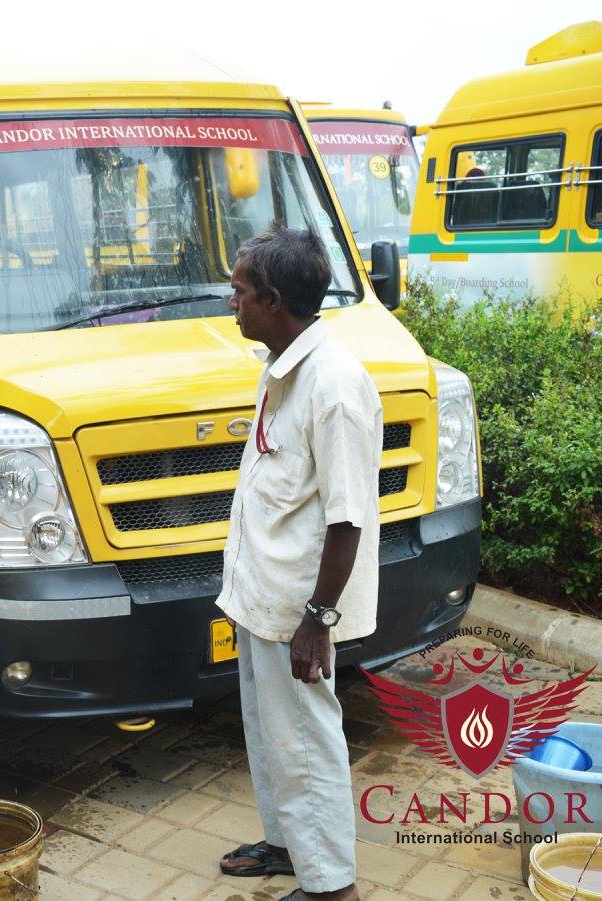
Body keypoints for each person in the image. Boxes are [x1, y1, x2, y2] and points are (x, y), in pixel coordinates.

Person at [215, 227, 381, 901]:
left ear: (273, 299)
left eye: (239, 288)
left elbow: (348, 517)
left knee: (307, 741)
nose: (232, 300)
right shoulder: (284, 363)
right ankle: (288, 845)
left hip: (299, 609)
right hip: (262, 594)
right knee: (271, 732)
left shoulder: (334, 386)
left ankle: (331, 885)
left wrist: (317, 619)